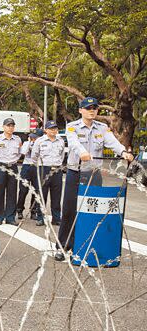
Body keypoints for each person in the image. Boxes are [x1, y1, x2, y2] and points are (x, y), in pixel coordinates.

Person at [55, 97, 133, 261]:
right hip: (75, 173)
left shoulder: (103, 128)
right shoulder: (72, 127)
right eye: (88, 107)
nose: (92, 110)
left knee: (92, 209)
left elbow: (112, 143)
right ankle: (63, 247)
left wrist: (123, 152)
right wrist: (82, 152)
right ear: (80, 110)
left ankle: (86, 245)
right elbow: (74, 143)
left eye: (95, 108)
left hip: (94, 173)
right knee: (70, 211)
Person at [31, 120, 65, 226]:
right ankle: (40, 218)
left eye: (55, 128)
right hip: (43, 170)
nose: (53, 130)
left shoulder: (61, 141)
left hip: (57, 170)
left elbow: (62, 155)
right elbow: (34, 156)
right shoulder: (40, 141)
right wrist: (40, 168)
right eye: (51, 128)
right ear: (45, 130)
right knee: (42, 195)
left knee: (56, 196)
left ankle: (56, 218)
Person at [0, 118, 22, 225]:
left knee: (12, 192)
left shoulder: (17, 139)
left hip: (12, 166)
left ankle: (10, 217)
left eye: (12, 126)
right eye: (8, 126)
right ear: (3, 127)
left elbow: (19, 153)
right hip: (0, 167)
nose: (10, 128)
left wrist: (13, 161)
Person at [16, 132, 40, 221]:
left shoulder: (42, 143)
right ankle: (19, 210)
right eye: (31, 137)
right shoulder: (26, 143)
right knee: (23, 190)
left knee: (36, 191)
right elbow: (23, 152)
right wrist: (30, 143)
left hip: (36, 166)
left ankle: (33, 211)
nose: (33, 139)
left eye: (35, 138)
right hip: (26, 166)